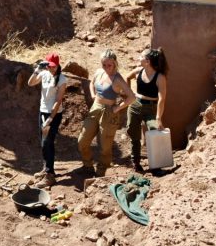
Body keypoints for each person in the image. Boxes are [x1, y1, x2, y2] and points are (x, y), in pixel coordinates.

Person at [78, 49, 136, 177]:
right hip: (95, 108)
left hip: (109, 112)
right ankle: (88, 166)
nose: (106, 67)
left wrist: (118, 108)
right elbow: (91, 83)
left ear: (115, 63)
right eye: (103, 64)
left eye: (109, 65)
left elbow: (131, 97)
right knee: (82, 140)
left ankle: (101, 171)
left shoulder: (118, 79)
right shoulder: (99, 72)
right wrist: (93, 95)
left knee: (105, 145)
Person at [27, 52, 67, 189]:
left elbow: (58, 100)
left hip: (54, 114)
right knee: (43, 142)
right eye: (49, 66)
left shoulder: (62, 79)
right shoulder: (44, 74)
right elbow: (30, 83)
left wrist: (50, 118)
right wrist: (37, 69)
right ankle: (46, 168)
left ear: (58, 65)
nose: (51, 69)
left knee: (47, 141)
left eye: (54, 67)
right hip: (42, 112)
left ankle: (50, 175)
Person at [125, 48, 169, 172]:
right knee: (133, 134)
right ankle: (136, 162)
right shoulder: (139, 71)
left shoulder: (160, 77)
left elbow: (162, 99)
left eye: (141, 56)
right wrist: (129, 94)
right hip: (135, 105)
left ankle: (156, 166)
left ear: (147, 61)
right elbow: (127, 78)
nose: (138, 58)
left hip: (151, 107)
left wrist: (159, 118)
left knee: (155, 131)